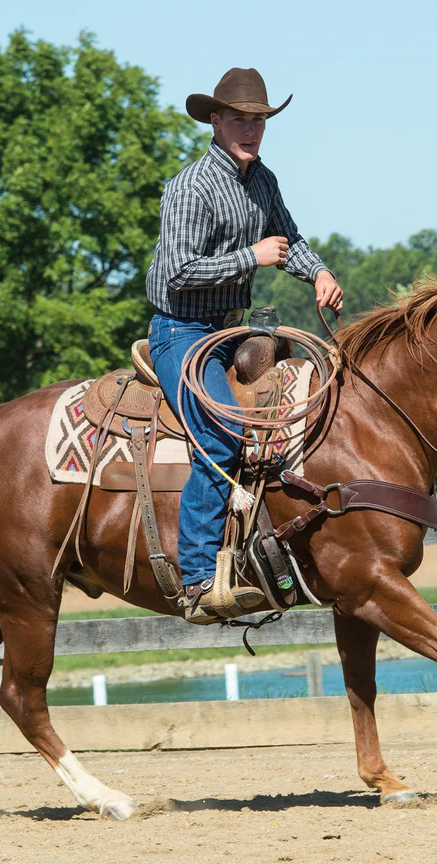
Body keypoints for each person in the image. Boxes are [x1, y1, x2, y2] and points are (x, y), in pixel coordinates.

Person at [146, 67, 343, 611]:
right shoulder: (190, 187)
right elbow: (177, 273)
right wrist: (250, 258)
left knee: (299, 413)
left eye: (258, 120)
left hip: (232, 329)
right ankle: (196, 578)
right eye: (239, 119)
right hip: (181, 331)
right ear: (215, 120)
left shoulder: (264, 181)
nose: (250, 129)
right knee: (222, 438)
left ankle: (269, 553)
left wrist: (319, 273)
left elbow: (290, 240)